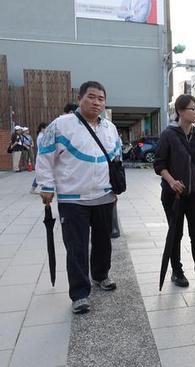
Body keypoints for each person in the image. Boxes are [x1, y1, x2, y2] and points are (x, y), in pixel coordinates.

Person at [36, 81, 122, 314]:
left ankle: (101, 276)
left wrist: (115, 188)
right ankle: (80, 294)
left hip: (104, 195)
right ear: (80, 97)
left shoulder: (110, 128)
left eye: (101, 98)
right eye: (91, 97)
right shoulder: (61, 125)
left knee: (104, 242)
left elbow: (116, 158)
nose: (96, 102)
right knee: (77, 247)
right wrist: (46, 186)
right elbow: (44, 156)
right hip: (73, 198)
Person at [153, 94, 195, 292]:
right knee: (176, 234)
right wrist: (172, 182)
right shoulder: (168, 135)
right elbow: (159, 164)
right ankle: (177, 271)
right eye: (192, 109)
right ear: (180, 111)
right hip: (174, 195)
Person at [30, 123, 48, 194]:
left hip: (43, 157)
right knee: (40, 174)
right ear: (42, 128)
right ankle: (33, 189)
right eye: (46, 128)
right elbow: (43, 148)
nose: (47, 130)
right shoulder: (41, 137)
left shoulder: (42, 136)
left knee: (41, 174)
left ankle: (34, 189)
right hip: (42, 157)